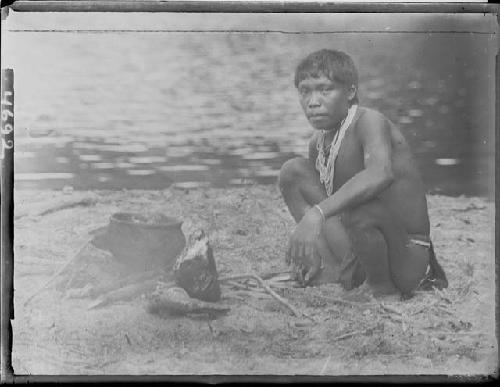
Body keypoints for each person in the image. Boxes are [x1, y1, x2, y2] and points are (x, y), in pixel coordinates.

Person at [279, 49, 447, 297]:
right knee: (293, 172)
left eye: (325, 90)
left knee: (361, 207)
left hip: (406, 258)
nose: (313, 101)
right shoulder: (319, 142)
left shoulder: (369, 121)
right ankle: (332, 268)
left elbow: (380, 174)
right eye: (305, 91)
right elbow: (333, 203)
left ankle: (383, 290)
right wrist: (313, 245)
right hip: (361, 249)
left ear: (350, 92)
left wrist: (316, 214)